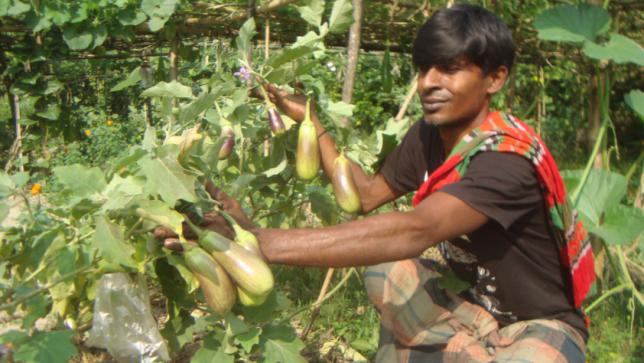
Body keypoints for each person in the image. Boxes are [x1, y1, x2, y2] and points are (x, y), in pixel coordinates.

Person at [157, 4, 595, 362]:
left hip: (539, 326)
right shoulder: (430, 135)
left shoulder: (506, 161)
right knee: (388, 273)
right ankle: (466, 350)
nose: (428, 83)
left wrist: (255, 242)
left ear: (494, 79)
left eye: (449, 69)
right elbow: (363, 196)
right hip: (471, 312)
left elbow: (414, 230)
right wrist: (309, 121)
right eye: (423, 69)